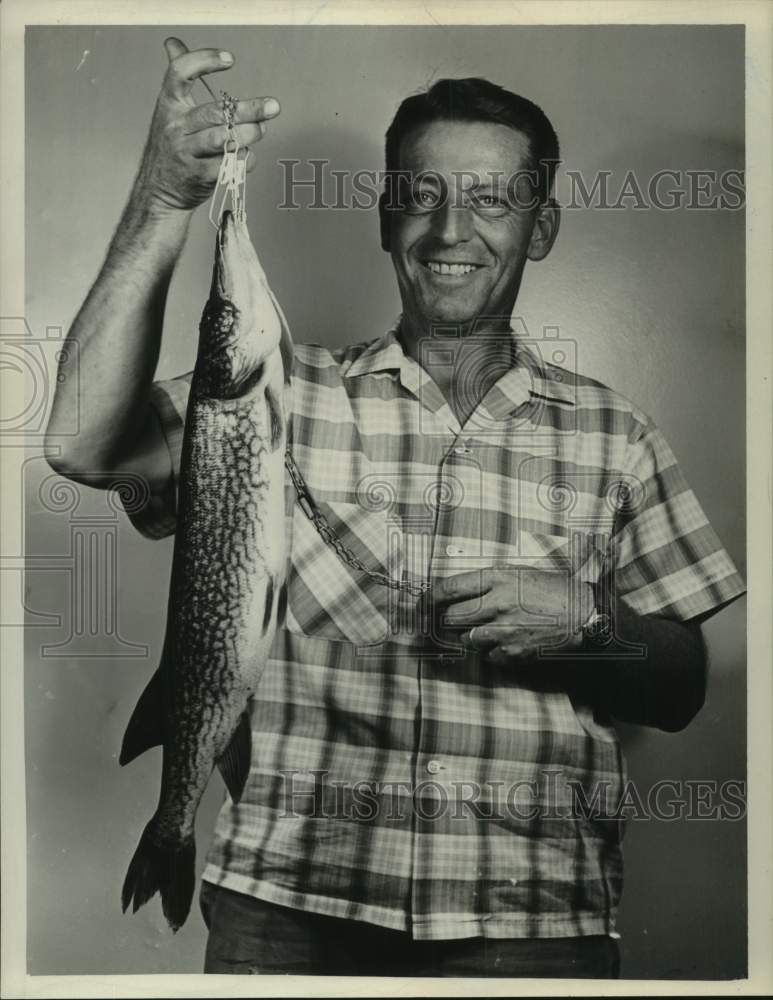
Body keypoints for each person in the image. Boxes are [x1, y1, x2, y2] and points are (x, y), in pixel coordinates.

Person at [45, 38, 745, 978]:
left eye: (491, 199)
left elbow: (682, 686)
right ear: (384, 217)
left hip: (532, 922)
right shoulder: (275, 399)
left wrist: (589, 622)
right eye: (421, 195)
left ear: (539, 228)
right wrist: (165, 200)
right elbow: (79, 443)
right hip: (287, 915)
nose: (451, 230)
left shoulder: (618, 434)